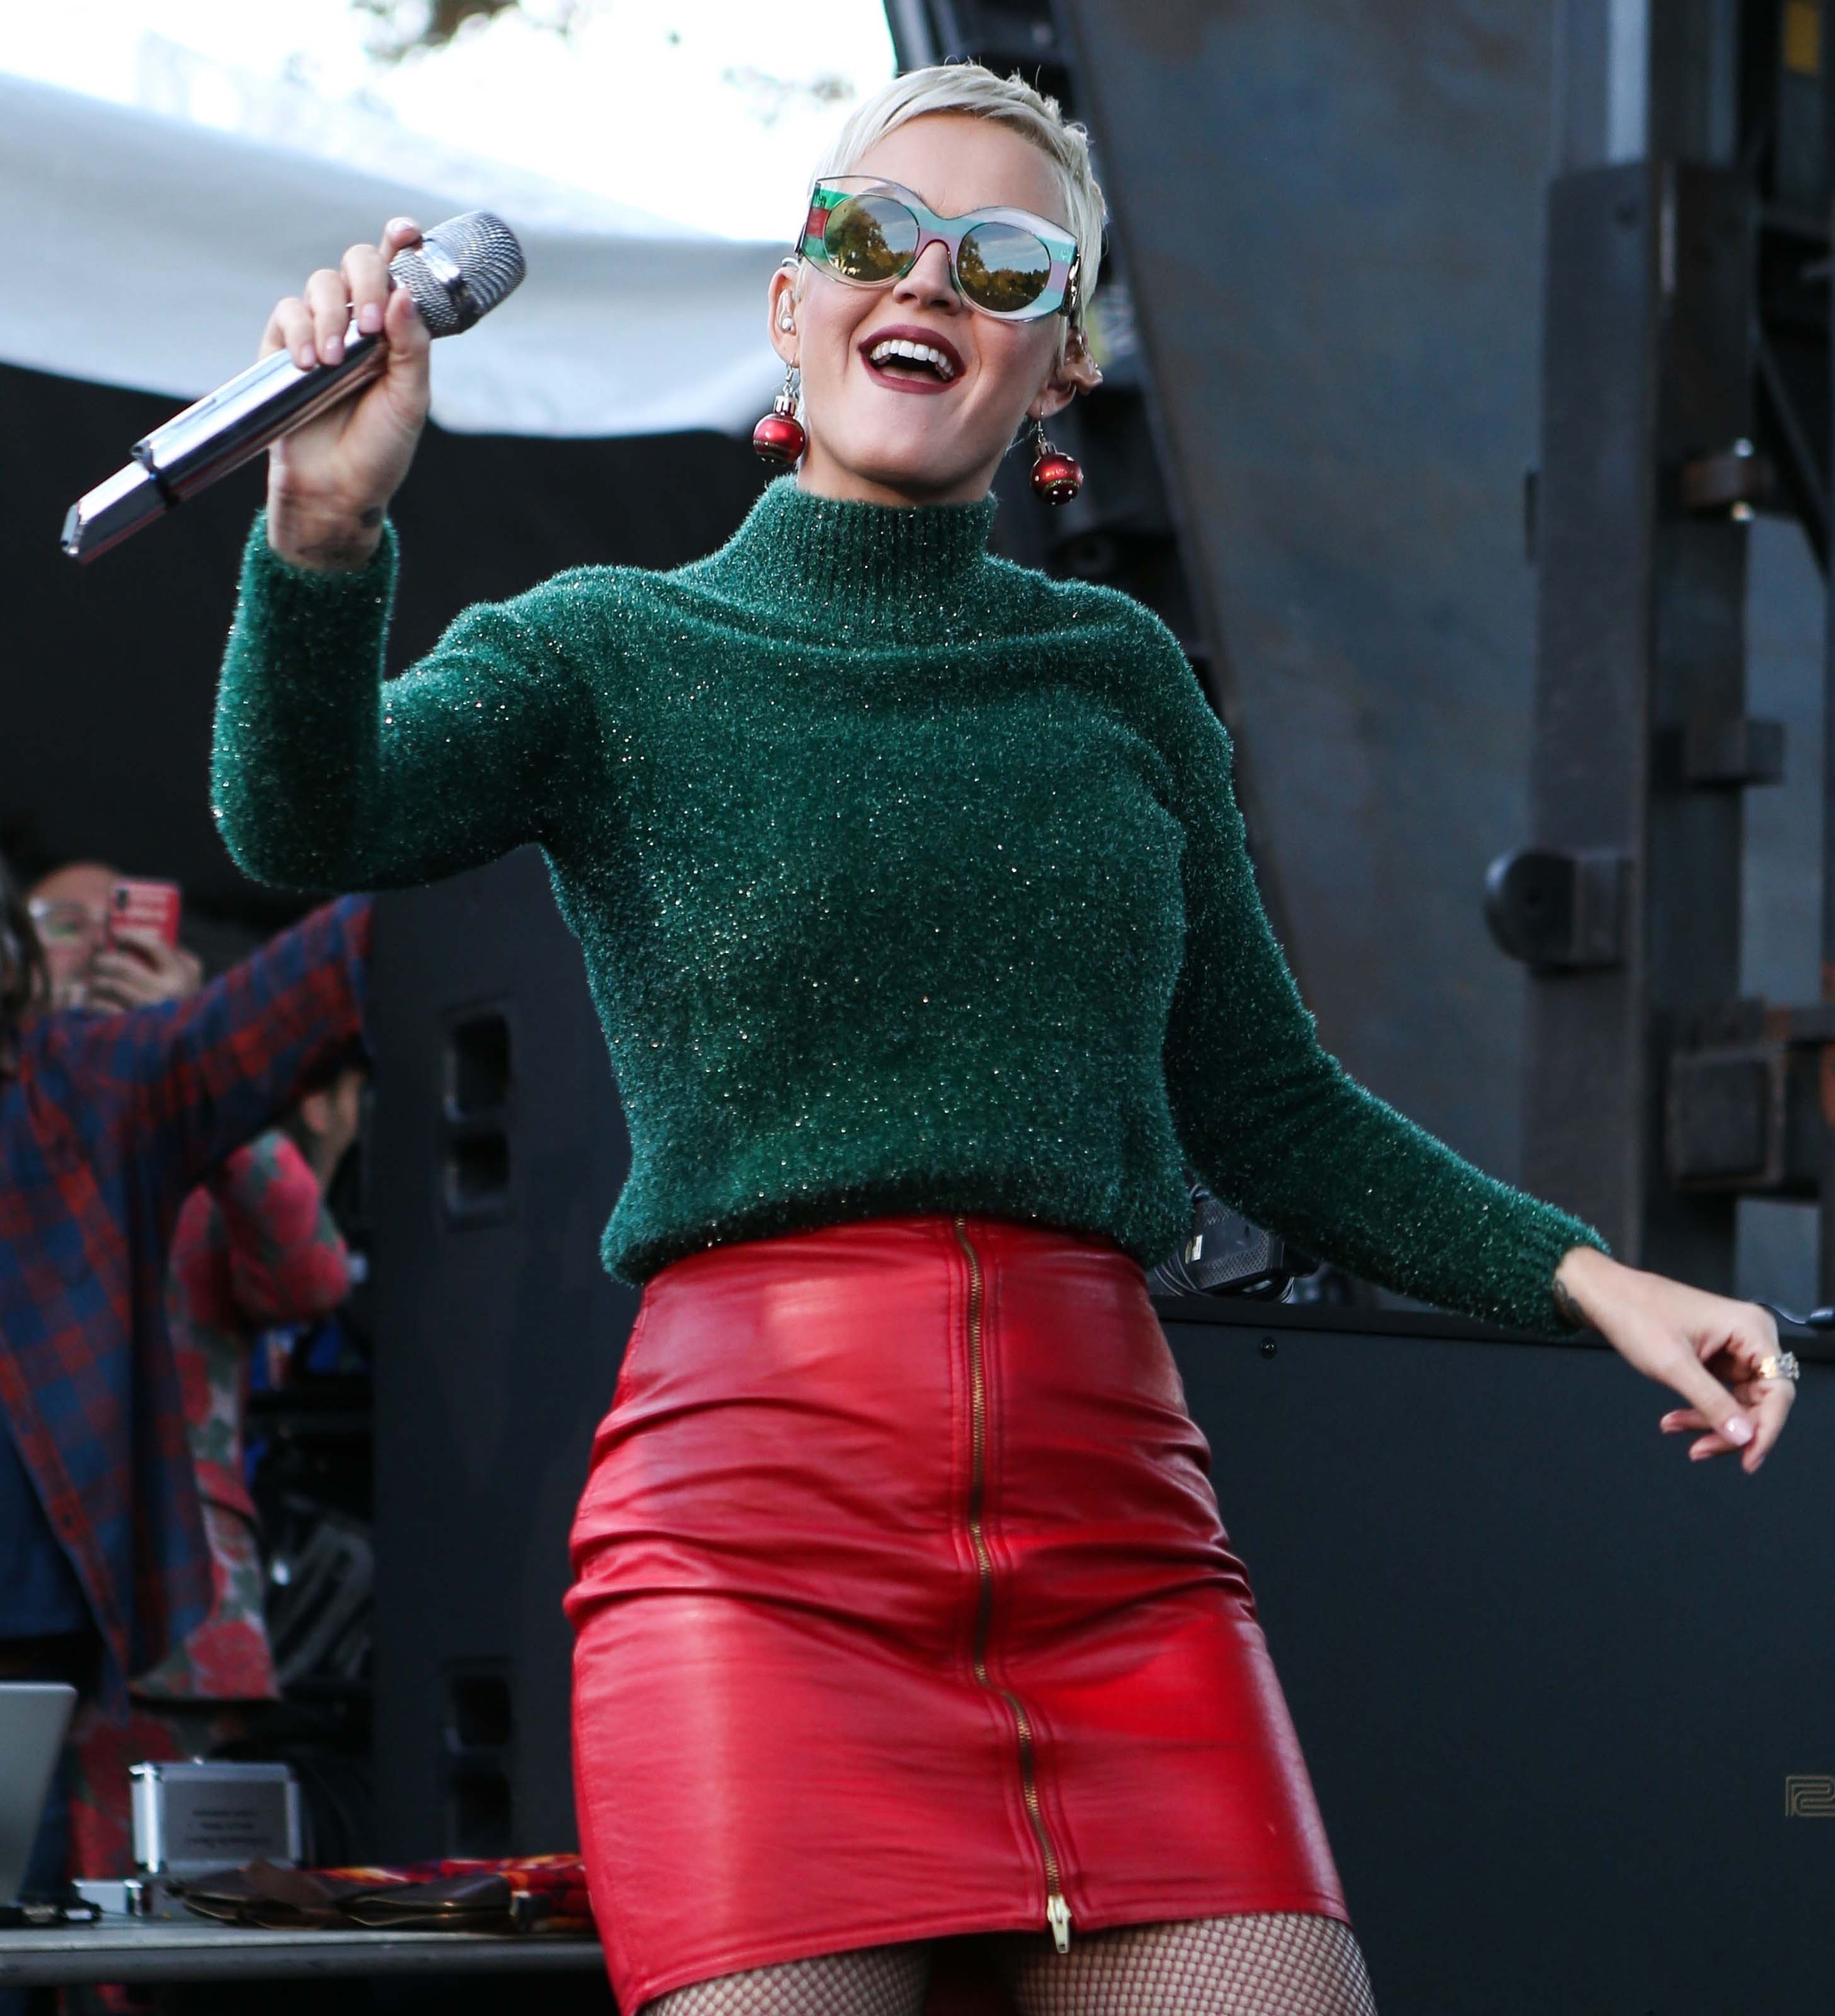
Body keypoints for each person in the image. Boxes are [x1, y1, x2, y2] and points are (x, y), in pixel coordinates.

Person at [207, 60, 1795, 2016]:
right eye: (879, 233)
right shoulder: (607, 650)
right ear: (792, 301)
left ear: (1063, 367)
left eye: (1006, 262)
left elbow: (1271, 1103)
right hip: (757, 1553)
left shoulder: (1113, 675)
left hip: (1117, 1550)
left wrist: (1594, 1279)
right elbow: (305, 820)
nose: (929, 281)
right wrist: (322, 538)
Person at [0, 842, 369, 1901]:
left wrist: (198, 1083)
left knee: (164, 1920)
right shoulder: (34, 1123)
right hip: (41, 1575)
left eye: (118, 923)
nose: (93, 948)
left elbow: (309, 1277)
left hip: (178, 1592)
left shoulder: (168, 1114)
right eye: (64, 926)